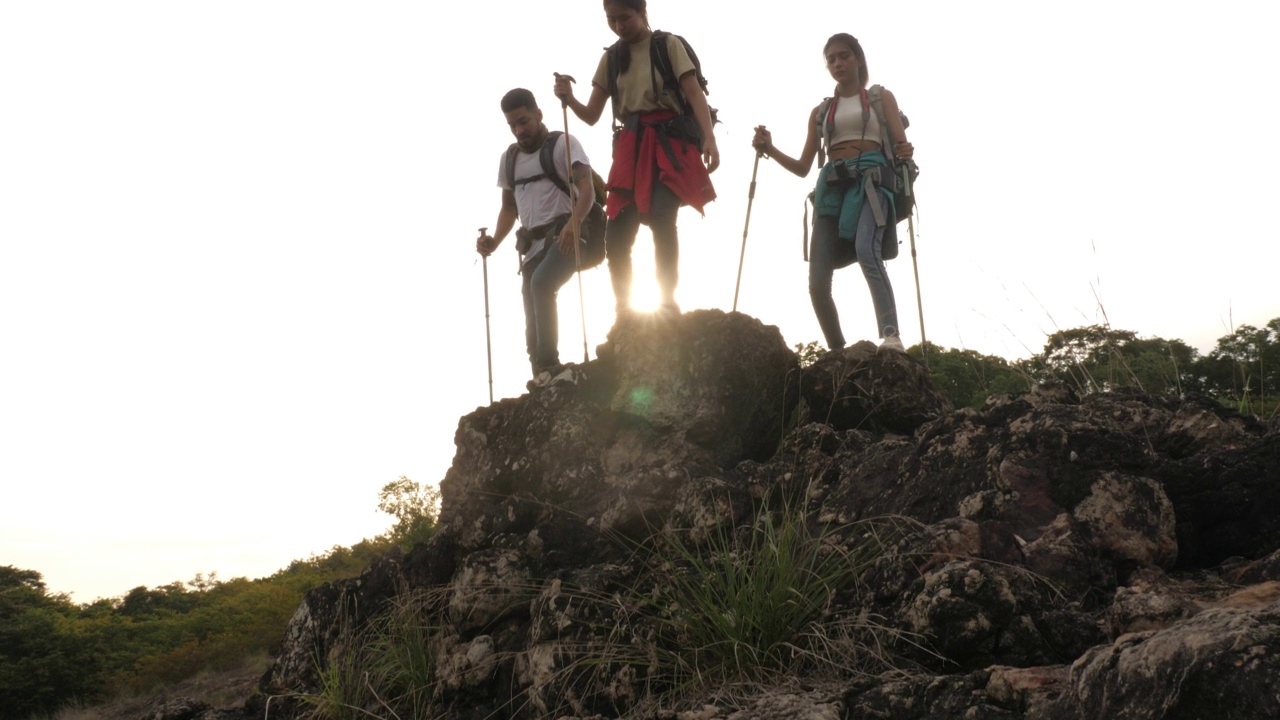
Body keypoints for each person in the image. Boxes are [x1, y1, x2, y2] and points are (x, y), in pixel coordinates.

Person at [553, 0, 718, 318]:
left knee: (661, 217)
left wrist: (709, 137)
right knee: (617, 232)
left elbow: (694, 92)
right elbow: (591, 115)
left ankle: (667, 301)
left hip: (669, 143)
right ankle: (624, 310)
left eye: (624, 18)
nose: (618, 26)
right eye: (611, 20)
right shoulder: (612, 57)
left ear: (642, 12)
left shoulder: (667, 45)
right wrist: (568, 98)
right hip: (630, 147)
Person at [752, 33, 913, 353]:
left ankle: (891, 335)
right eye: (831, 59)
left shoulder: (881, 98)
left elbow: (900, 144)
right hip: (832, 188)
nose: (837, 63)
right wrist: (768, 148)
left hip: (872, 181)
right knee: (817, 280)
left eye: (844, 56)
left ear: (858, 59)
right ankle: (837, 350)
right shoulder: (821, 112)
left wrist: (905, 149)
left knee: (868, 251)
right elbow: (802, 166)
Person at [476, 88, 597, 387]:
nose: (520, 129)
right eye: (513, 125)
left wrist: (574, 223)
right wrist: (494, 241)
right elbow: (508, 207)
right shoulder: (510, 159)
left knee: (542, 284)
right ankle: (540, 375)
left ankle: (549, 365)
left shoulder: (562, 144)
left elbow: (588, 189)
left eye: (524, 121)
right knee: (530, 301)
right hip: (532, 245)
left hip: (568, 235)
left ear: (539, 115)